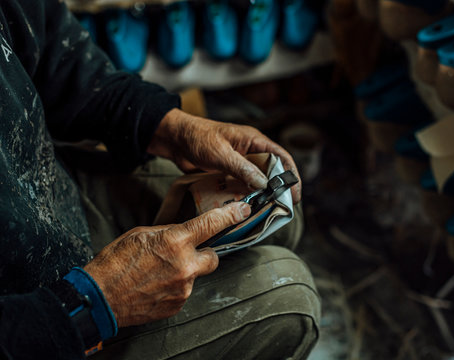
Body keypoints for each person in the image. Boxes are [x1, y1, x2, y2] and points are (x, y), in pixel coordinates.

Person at [0, 0, 320, 359]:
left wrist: (170, 126)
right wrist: (90, 306)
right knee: (290, 297)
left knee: (281, 214)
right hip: (37, 323)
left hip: (45, 191)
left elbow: (62, 62)